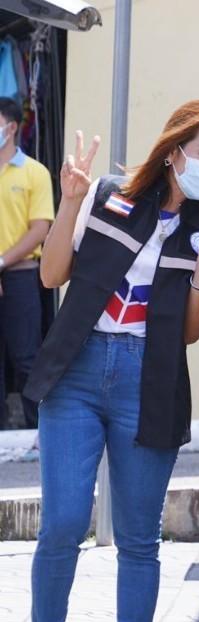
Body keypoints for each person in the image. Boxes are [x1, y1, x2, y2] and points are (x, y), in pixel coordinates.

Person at [25, 100, 199, 622]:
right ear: (175, 150)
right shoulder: (107, 195)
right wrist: (71, 200)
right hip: (77, 370)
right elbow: (51, 276)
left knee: (140, 539)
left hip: (150, 380)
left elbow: (191, 332)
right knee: (63, 524)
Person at [0, 97, 54, 429]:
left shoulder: (35, 172)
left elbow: (40, 229)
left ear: (11, 128)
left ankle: (40, 430)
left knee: (26, 356)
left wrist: (2, 262)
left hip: (20, 274)